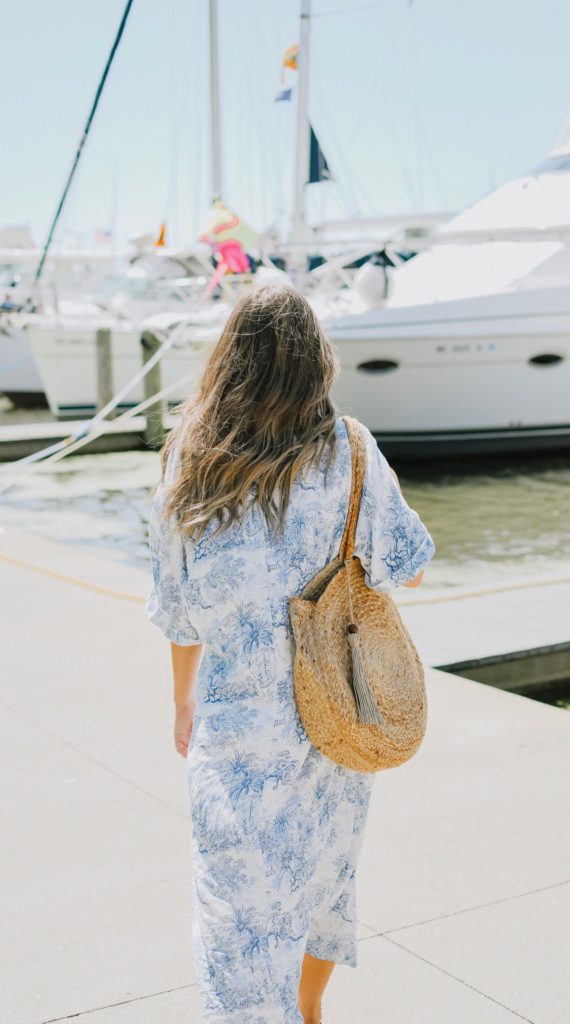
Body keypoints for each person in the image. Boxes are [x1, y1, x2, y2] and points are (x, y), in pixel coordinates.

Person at [145, 284, 435, 1024]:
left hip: (236, 739)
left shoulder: (190, 455)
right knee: (320, 889)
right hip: (331, 727)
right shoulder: (349, 448)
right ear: (317, 364)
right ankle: (308, 1016)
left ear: (228, 361)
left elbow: (179, 612)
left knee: (235, 929)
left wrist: (181, 701)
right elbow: (410, 561)